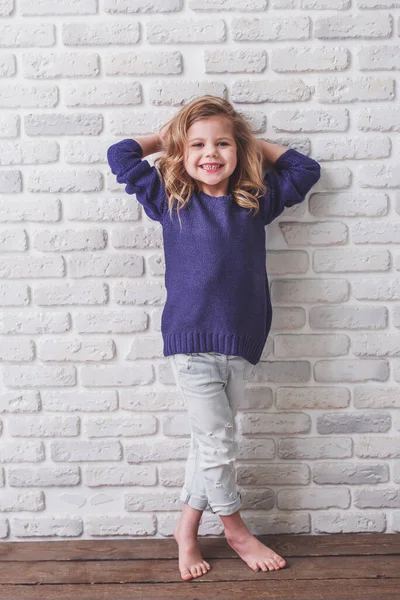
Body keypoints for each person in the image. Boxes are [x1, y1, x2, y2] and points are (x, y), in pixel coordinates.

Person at [107, 95, 321, 581]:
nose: (210, 153)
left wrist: (248, 142)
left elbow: (306, 170)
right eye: (198, 145)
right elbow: (121, 154)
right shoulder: (171, 199)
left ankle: (185, 530)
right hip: (189, 343)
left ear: (238, 150)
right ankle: (235, 529)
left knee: (209, 444)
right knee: (220, 443)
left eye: (222, 144)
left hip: (241, 343)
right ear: (182, 152)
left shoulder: (254, 202)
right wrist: (170, 138)